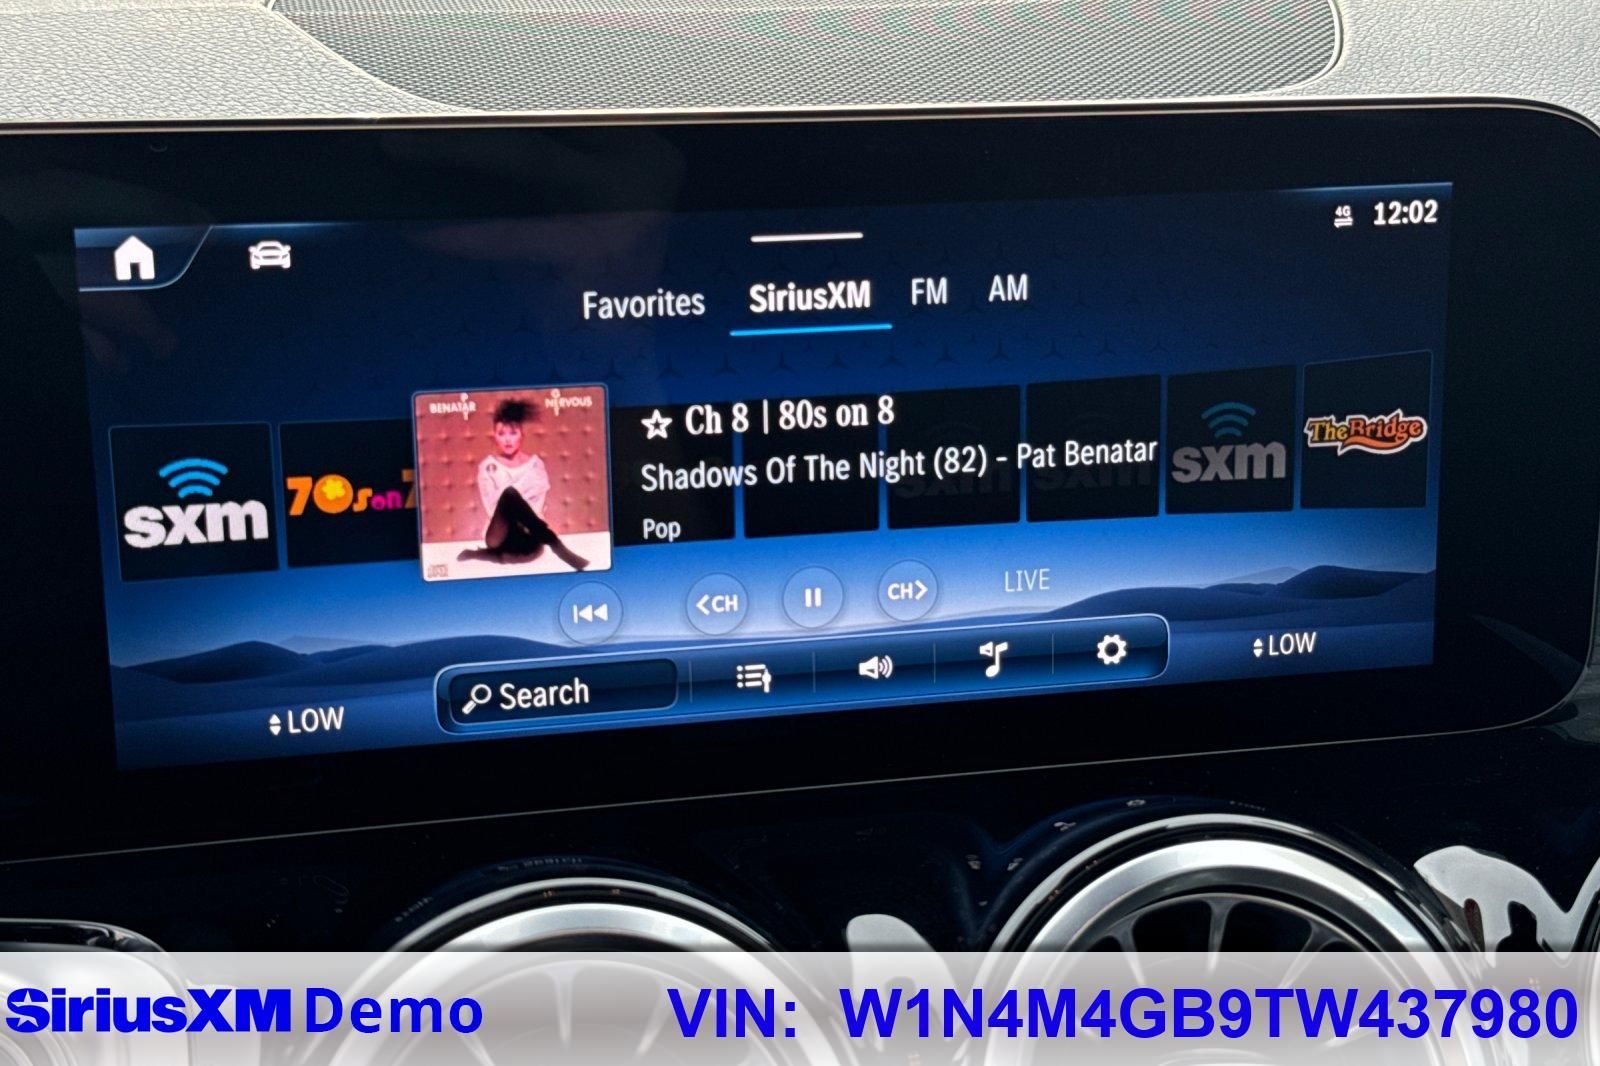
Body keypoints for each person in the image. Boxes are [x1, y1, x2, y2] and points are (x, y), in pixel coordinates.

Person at [457, 398, 589, 571]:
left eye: (513, 433)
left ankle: (481, 554)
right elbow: (492, 507)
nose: (507, 440)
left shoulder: (535, 465)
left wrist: (522, 515)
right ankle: (555, 544)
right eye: (501, 434)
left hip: (530, 538)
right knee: (510, 495)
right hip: (499, 538)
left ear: (522, 435)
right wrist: (514, 507)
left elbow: (537, 506)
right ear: (494, 436)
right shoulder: (488, 467)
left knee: (511, 498)